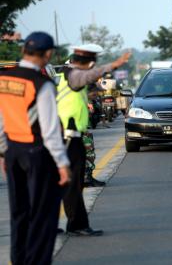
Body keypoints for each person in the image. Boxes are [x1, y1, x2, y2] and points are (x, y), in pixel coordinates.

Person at [0, 31, 71, 265]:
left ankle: (19, 260)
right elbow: (50, 131)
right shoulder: (42, 84)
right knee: (42, 215)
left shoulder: (5, 79)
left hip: (13, 152)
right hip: (37, 153)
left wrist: (3, 151)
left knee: (19, 212)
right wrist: (62, 163)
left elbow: (1, 120)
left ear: (23, 51)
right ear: (48, 54)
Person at [56, 43, 130, 236]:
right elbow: (88, 76)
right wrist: (114, 64)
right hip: (67, 136)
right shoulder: (73, 74)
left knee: (74, 182)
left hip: (70, 135)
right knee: (72, 183)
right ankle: (76, 225)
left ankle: (70, 223)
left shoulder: (66, 74)